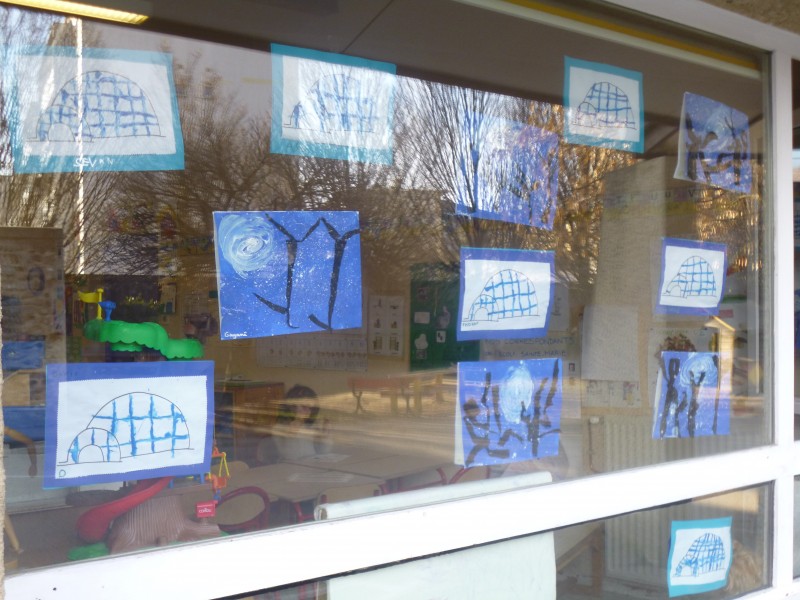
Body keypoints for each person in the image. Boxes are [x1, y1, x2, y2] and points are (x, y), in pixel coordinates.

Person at [271, 385, 332, 461]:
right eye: (304, 406)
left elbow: (323, 452)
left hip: (310, 464)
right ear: (291, 407)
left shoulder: (309, 426)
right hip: (289, 466)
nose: (308, 411)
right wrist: (292, 433)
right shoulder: (279, 427)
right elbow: (291, 456)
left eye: (310, 407)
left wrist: (325, 434)